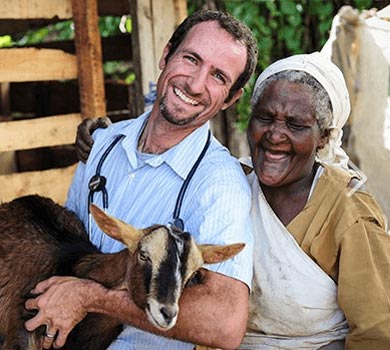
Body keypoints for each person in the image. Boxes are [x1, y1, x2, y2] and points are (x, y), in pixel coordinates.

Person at [24, 9, 258, 350]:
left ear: (232, 98)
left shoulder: (218, 184)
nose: (195, 84)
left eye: (218, 77)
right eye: (191, 59)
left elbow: (224, 323)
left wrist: (94, 298)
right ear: (166, 55)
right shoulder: (104, 144)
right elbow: (65, 242)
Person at [239, 52, 390, 350]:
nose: (275, 135)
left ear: (324, 137)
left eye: (295, 125)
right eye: (265, 118)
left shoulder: (348, 209)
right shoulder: (230, 186)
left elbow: (376, 329)